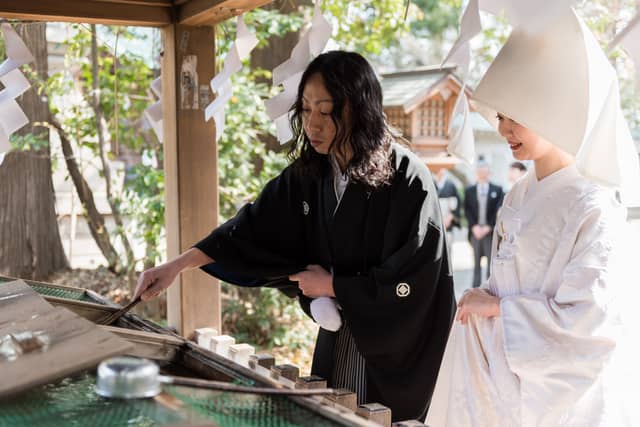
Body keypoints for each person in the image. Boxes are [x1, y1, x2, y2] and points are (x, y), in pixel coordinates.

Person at [135, 51, 456, 422]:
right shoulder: (311, 173)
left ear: (359, 108)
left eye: (325, 110)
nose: (312, 124)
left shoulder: (407, 178)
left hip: (395, 345)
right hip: (338, 332)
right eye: (305, 110)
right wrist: (177, 266)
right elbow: (251, 228)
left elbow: (417, 277)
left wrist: (334, 286)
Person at [427, 8, 640, 426]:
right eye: (500, 116)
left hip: (562, 398)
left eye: (515, 116)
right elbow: (504, 282)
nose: (505, 129)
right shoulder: (520, 193)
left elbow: (591, 322)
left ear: (554, 109)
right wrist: (486, 301)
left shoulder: (595, 205)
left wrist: (498, 311)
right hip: (498, 373)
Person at [464, 160, 504, 288]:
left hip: (490, 232)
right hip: (475, 232)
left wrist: (489, 226)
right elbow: (467, 210)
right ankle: (474, 289)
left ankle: (489, 289)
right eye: (480, 172)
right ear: (476, 173)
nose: (482, 174)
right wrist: (473, 226)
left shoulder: (497, 190)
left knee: (490, 263)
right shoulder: (469, 190)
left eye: (485, 171)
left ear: (489, 173)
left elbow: (498, 210)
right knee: (476, 263)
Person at [434, 168, 461, 257]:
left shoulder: (451, 185)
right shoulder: (431, 182)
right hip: (434, 222)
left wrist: (450, 217)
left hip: (448, 223)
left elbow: (457, 204)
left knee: (447, 250)